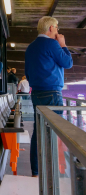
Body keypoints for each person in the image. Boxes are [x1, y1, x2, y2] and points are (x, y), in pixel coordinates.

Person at [25, 16, 73, 177]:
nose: (58, 32)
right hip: (52, 93)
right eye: (57, 28)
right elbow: (68, 63)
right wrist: (63, 44)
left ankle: (36, 172)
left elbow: (27, 73)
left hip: (36, 93)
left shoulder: (31, 47)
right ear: (51, 28)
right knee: (54, 133)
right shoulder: (53, 44)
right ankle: (52, 173)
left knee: (38, 132)